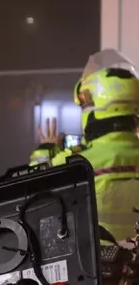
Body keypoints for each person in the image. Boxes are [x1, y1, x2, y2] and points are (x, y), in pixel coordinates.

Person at [30, 48, 139, 243]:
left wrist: (44, 151)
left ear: (96, 109)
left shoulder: (75, 161)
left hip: (96, 268)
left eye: (84, 105)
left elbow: (32, 192)